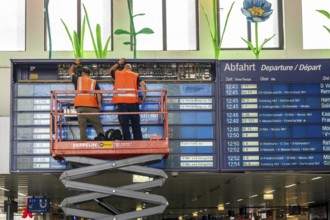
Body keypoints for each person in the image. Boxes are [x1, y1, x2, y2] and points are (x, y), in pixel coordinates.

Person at [108, 58, 147, 140]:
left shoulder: (118, 73)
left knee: (124, 125)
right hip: (133, 104)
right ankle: (138, 142)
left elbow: (110, 70)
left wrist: (118, 63)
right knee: (136, 124)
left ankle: (127, 141)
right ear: (131, 68)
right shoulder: (134, 75)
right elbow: (143, 84)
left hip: (122, 105)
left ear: (124, 68)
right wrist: (144, 96)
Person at [68, 59, 105, 141]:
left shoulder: (77, 79)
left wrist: (74, 63)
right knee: (97, 125)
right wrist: (99, 104)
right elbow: (99, 93)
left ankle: (83, 142)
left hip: (80, 107)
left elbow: (70, 72)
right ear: (89, 74)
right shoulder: (93, 81)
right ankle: (102, 140)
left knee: (82, 126)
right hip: (92, 107)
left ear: (83, 73)